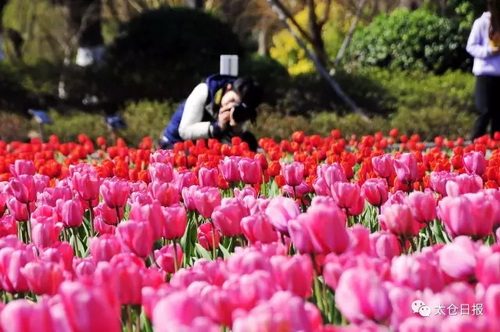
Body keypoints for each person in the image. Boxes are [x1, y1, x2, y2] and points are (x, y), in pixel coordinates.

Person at [159, 74, 263, 151]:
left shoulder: (242, 113)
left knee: (249, 143)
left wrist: (235, 131)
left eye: (237, 105)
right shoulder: (204, 91)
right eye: (232, 100)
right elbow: (184, 131)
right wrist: (217, 127)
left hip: (204, 149)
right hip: (175, 143)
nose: (231, 107)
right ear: (228, 88)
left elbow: (228, 148)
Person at [466, 0, 500, 140]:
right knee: (484, 111)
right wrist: (489, 51)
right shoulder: (481, 23)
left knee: (498, 114)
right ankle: (473, 147)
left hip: (499, 75)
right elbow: (471, 46)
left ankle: (496, 150)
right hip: (484, 74)